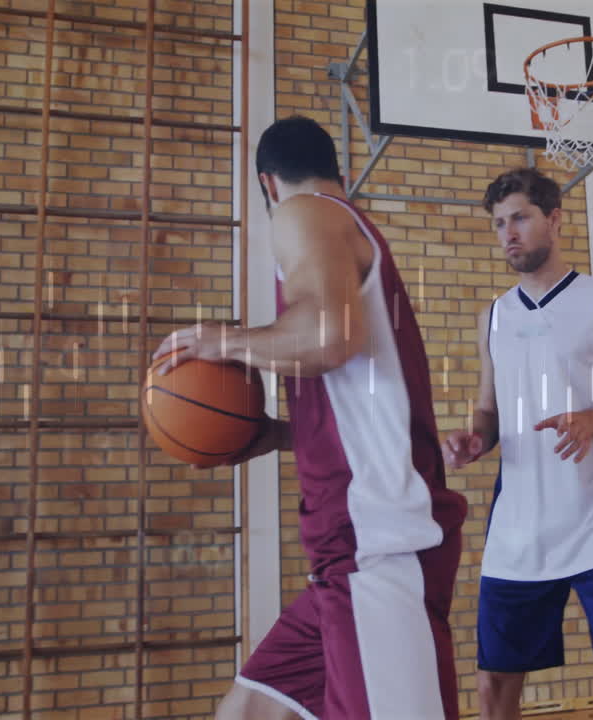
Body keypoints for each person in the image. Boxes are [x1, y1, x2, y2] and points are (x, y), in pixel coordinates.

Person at [154, 115, 468, 720]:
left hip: (377, 545)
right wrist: (279, 434)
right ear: (339, 172)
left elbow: (328, 337)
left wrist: (226, 341)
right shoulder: (341, 223)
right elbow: (362, 403)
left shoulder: (306, 213)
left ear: (268, 184)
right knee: (245, 713)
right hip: (347, 552)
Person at [443, 168, 593, 720]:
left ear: (553, 219)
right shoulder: (494, 318)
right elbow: (488, 409)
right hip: (517, 532)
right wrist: (473, 439)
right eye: (500, 223)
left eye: (520, 218)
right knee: (494, 690)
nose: (509, 233)